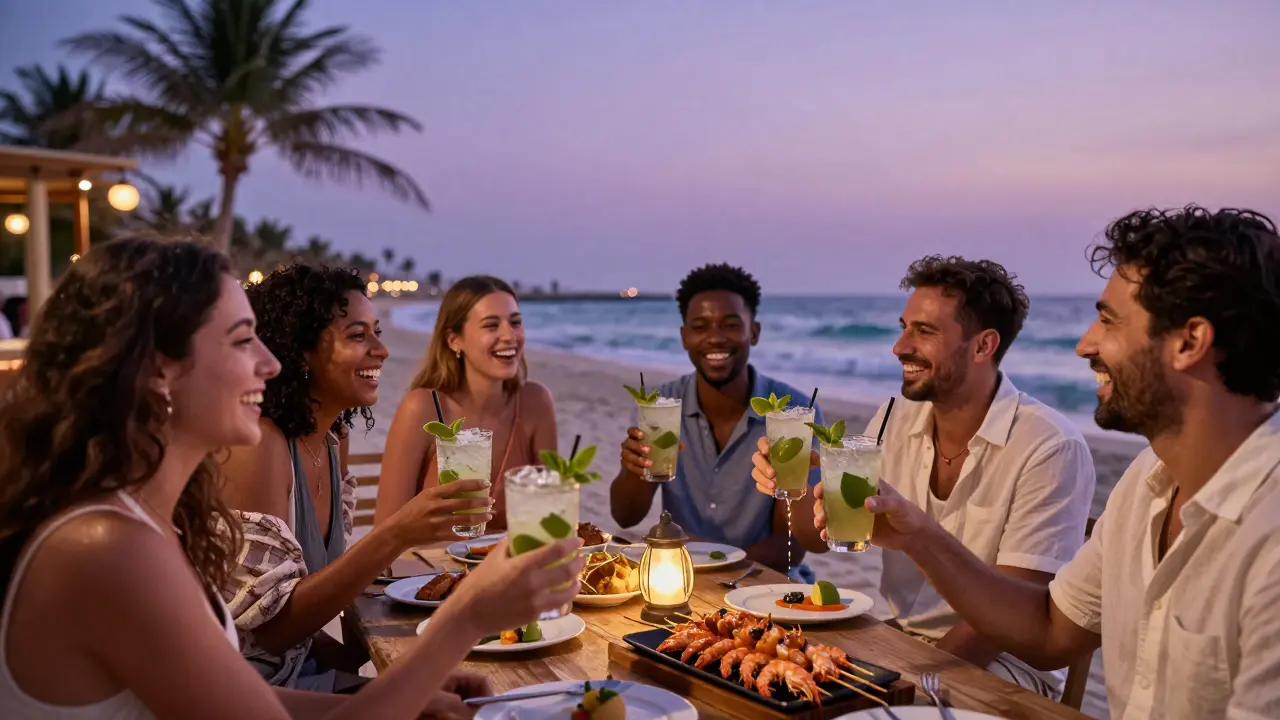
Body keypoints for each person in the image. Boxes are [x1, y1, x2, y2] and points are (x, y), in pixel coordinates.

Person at [0, 237, 584, 719]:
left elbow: (251, 699)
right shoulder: (107, 549)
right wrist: (465, 619)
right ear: (157, 370)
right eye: (241, 340)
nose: (270, 361)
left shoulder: (139, 524)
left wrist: (404, 688)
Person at [843, 207, 1280, 719]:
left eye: (1108, 321)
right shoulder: (1146, 481)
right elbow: (1050, 630)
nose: (1084, 344)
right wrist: (917, 535)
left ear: (1190, 342)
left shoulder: (1267, 531)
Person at [752, 255, 1095, 698]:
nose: (899, 346)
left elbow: (1010, 621)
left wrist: (905, 685)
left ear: (983, 346)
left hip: (1006, 666)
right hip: (905, 641)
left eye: (924, 331)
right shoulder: (894, 420)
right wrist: (796, 482)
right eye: (903, 327)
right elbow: (818, 540)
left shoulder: (1049, 446)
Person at [219, 264, 496, 691]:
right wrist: (397, 533)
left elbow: (305, 630)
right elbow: (268, 634)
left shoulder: (333, 439)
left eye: (377, 332)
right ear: (300, 351)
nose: (381, 350)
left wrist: (384, 650)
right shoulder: (261, 445)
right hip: (248, 693)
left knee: (457, 692)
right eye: (357, 335)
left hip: (300, 673)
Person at [611, 263, 826, 577]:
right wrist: (634, 470)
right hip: (679, 576)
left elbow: (790, 545)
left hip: (762, 578)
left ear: (754, 332)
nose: (715, 338)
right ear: (684, 337)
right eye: (700, 327)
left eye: (730, 325)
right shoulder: (658, 406)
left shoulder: (794, 412)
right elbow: (625, 516)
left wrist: (715, 564)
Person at [375, 275, 557, 530]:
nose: (509, 335)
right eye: (491, 325)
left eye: (515, 323)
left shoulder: (535, 403)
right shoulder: (423, 408)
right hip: (432, 557)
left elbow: (550, 518)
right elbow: (386, 532)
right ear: (454, 340)